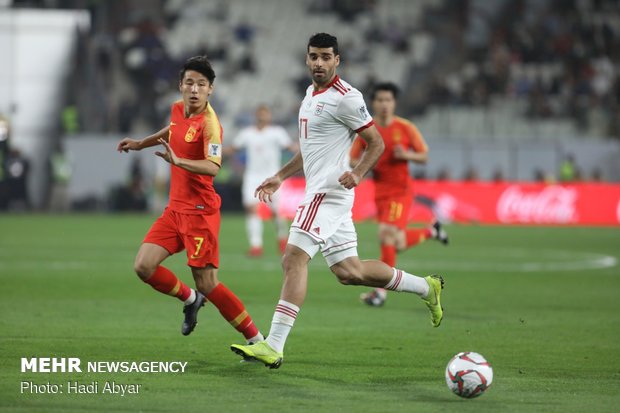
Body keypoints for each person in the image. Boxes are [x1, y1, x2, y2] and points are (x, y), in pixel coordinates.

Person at [230, 33, 444, 369]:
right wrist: (281, 176)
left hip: (327, 194)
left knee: (293, 259)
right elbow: (310, 150)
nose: (319, 63)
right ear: (306, 59)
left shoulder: (347, 97)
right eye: (313, 56)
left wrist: (358, 173)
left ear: (337, 60)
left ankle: (273, 345)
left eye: (326, 57)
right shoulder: (309, 95)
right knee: (350, 272)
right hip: (322, 193)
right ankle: (426, 287)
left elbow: (375, 143)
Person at [116, 56, 263, 344]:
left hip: (200, 212)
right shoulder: (177, 109)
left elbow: (213, 166)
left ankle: (256, 339)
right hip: (175, 211)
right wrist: (140, 144)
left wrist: (179, 161)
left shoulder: (210, 125)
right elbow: (171, 131)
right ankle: (190, 299)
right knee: (144, 266)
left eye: (201, 84)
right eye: (189, 83)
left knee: (208, 282)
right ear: (181, 85)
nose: (194, 89)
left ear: (211, 89)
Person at [350, 82, 449, 307]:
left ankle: (380, 292)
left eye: (388, 100)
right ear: (373, 103)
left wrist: (406, 155)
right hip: (380, 193)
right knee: (398, 242)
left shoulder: (405, 128)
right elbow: (353, 158)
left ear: (394, 103)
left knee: (386, 235)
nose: (384, 104)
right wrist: (368, 161)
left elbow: (424, 156)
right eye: (380, 100)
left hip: (401, 191)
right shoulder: (368, 129)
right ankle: (431, 231)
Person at [225, 104, 297, 257]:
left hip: (273, 176)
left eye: (265, 113)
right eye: (260, 113)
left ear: (269, 116)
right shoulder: (247, 133)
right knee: (251, 209)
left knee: (276, 212)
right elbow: (233, 149)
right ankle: (256, 246)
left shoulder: (277, 132)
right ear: (256, 116)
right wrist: (213, 150)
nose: (262, 116)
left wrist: (305, 150)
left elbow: (290, 147)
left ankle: (282, 239)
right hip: (252, 177)